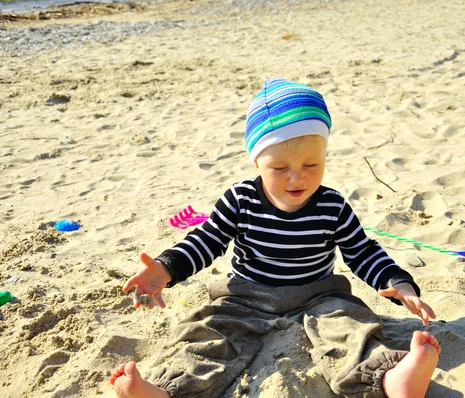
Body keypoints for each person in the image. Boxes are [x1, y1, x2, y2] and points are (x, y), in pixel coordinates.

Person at [110, 79, 441, 398]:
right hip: (246, 297)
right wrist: (167, 268)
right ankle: (167, 388)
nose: (298, 177)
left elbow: (362, 252)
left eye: (312, 163)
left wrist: (399, 282)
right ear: (257, 160)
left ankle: (390, 379)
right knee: (209, 332)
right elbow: (208, 239)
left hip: (318, 295)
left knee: (351, 327)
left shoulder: (332, 205)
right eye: (280, 167)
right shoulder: (241, 200)